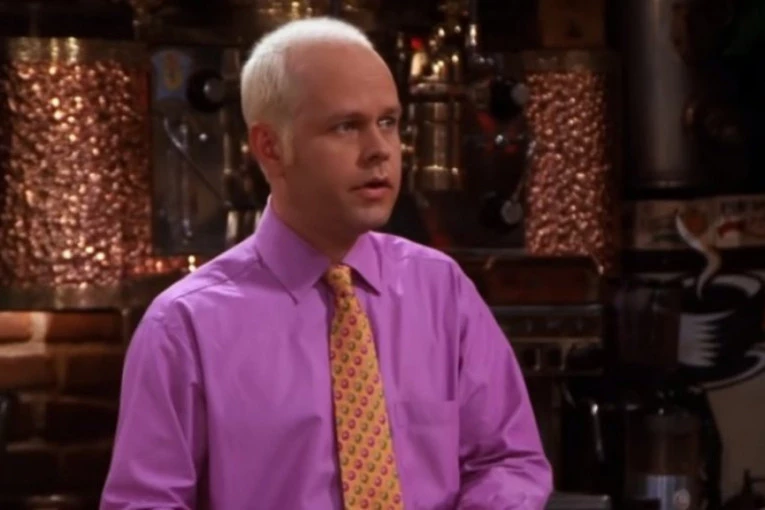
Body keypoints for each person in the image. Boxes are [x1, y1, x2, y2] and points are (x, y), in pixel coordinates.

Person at [100, 17, 552, 510]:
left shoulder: (441, 290)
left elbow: (508, 461)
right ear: (270, 147)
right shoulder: (185, 325)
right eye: (346, 126)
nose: (379, 151)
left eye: (388, 122)